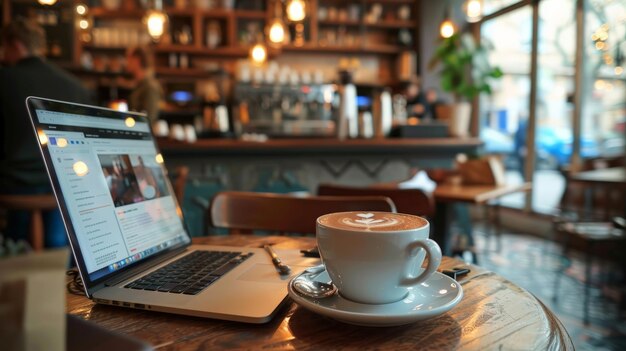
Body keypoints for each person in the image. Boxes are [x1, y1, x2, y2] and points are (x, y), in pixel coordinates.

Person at [0, 18, 92, 247]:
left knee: (18, 247)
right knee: (58, 242)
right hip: (65, 188)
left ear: (15, 44)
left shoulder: (4, 79)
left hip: (14, 190)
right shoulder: (76, 87)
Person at [126, 46, 163, 123]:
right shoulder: (140, 84)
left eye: (128, 59)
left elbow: (148, 119)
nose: (126, 62)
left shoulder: (150, 86)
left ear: (137, 60)